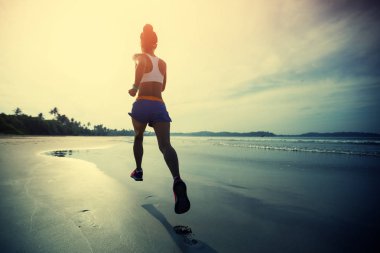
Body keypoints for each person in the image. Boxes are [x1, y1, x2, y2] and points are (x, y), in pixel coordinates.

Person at [128, 24, 190, 214]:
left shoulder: (141, 59)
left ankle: (138, 170)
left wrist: (134, 87)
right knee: (165, 146)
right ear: (155, 43)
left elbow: (140, 70)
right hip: (158, 104)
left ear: (142, 41)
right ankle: (177, 179)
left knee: (138, 137)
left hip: (143, 103)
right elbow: (162, 87)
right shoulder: (162, 63)